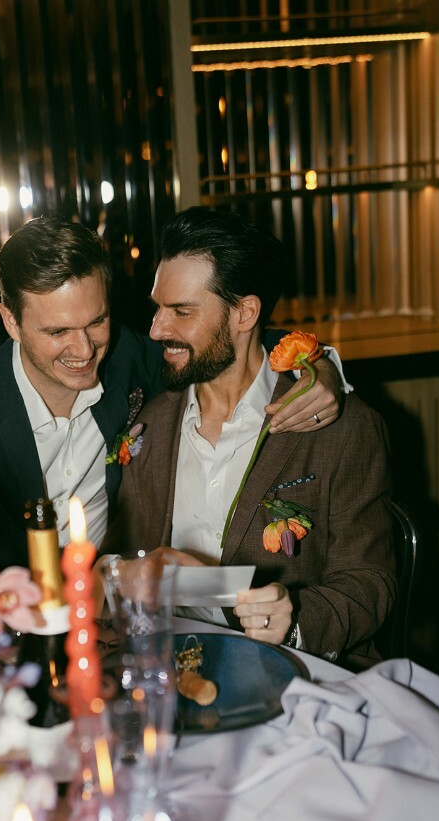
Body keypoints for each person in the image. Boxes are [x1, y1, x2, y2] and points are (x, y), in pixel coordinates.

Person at [0, 216, 344, 571]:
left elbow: (222, 342)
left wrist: (317, 364)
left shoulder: (127, 358)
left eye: (96, 321)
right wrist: (115, 575)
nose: (84, 350)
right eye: (57, 331)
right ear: (11, 321)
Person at [109, 207, 396, 671]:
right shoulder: (149, 425)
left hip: (292, 677)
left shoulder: (342, 429)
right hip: (166, 676)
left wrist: (296, 618)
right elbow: (119, 558)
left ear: (245, 312)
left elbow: (369, 585)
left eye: (181, 311)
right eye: (158, 308)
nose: (157, 329)